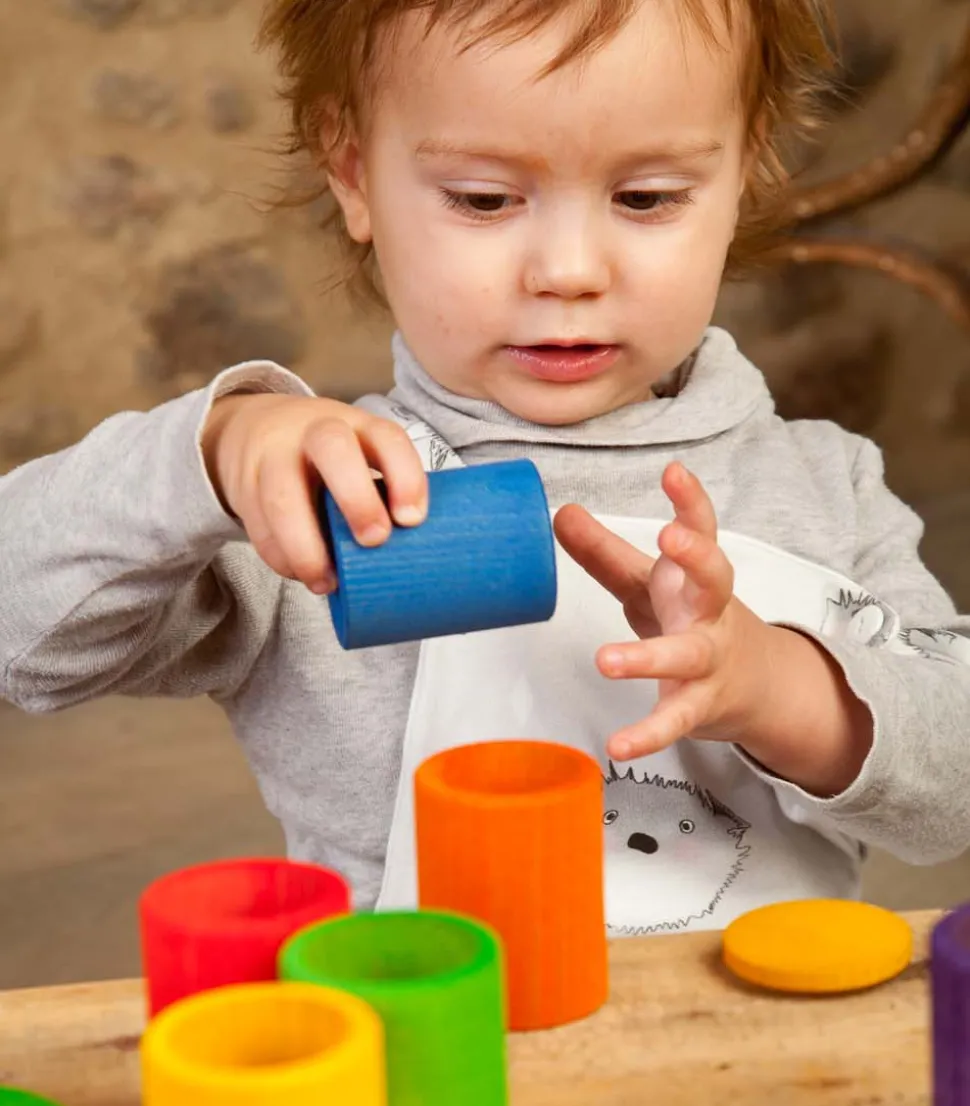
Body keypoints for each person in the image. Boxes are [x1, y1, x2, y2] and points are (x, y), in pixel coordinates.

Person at [2, 0, 968, 936]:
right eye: (484, 199)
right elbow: (22, 638)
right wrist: (209, 456)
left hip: (762, 1037)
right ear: (353, 170)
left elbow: (954, 793)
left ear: (747, 167)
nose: (569, 270)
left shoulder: (827, 486)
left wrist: (785, 690)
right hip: (420, 1036)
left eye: (646, 197)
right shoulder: (308, 500)